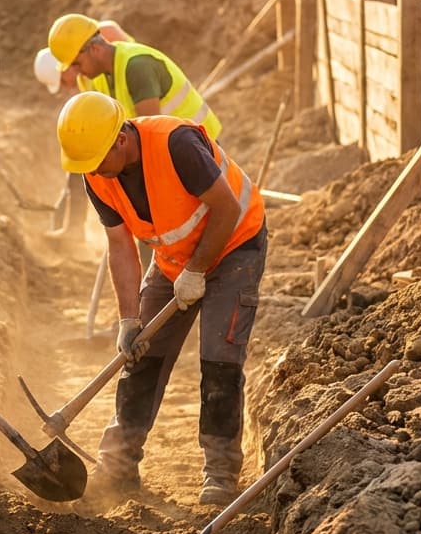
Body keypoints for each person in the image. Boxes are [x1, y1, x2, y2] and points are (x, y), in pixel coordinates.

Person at [55, 91, 267, 508]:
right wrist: (128, 320)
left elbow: (224, 208)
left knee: (219, 362)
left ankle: (220, 473)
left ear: (120, 139)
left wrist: (197, 271)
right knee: (141, 357)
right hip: (173, 261)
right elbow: (120, 246)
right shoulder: (95, 171)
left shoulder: (177, 143)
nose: (95, 171)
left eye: (98, 160)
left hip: (234, 245)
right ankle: (118, 464)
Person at [47, 12, 222, 142]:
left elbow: (149, 136)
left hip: (201, 148)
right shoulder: (100, 78)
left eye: (77, 63)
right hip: (177, 147)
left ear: (95, 49)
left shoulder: (137, 67)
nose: (77, 72)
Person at [34, 19, 134, 239]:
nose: (66, 87)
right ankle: (73, 229)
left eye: (62, 80)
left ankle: (79, 230)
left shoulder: (107, 40)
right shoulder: (86, 74)